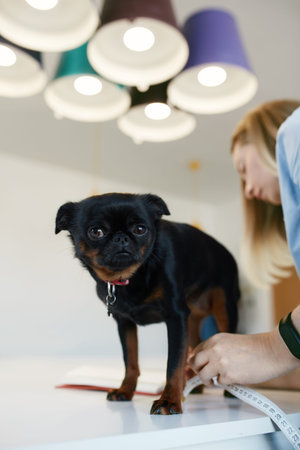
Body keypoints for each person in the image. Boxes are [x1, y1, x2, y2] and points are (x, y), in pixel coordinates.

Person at [189, 100, 300, 386]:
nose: (248, 189)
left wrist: (274, 348)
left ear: (269, 134)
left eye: (243, 167)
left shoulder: (295, 130)